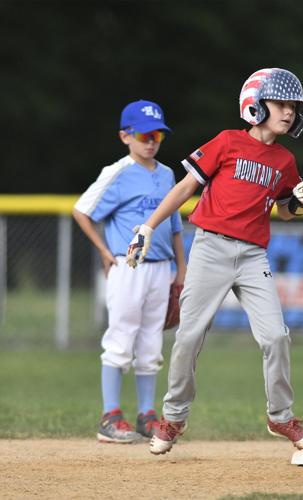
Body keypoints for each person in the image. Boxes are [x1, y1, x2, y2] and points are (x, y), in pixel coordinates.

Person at [126, 68, 303, 455]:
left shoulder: (285, 160)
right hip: (210, 248)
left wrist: (299, 203)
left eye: (292, 107)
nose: (288, 112)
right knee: (189, 336)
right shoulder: (227, 142)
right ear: (255, 105)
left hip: (252, 256)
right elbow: (185, 187)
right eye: (281, 103)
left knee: (276, 336)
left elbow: (283, 211)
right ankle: (174, 417)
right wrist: (148, 226)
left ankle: (280, 416)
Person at [73, 100, 186, 443]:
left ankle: (146, 415)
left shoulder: (167, 175)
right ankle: (110, 416)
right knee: (121, 339)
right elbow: (82, 211)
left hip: (160, 268)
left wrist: (181, 270)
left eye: (157, 135)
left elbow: (176, 226)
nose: (151, 141)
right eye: (143, 135)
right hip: (128, 265)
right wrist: (106, 253)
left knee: (151, 343)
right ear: (125, 136)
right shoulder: (117, 172)